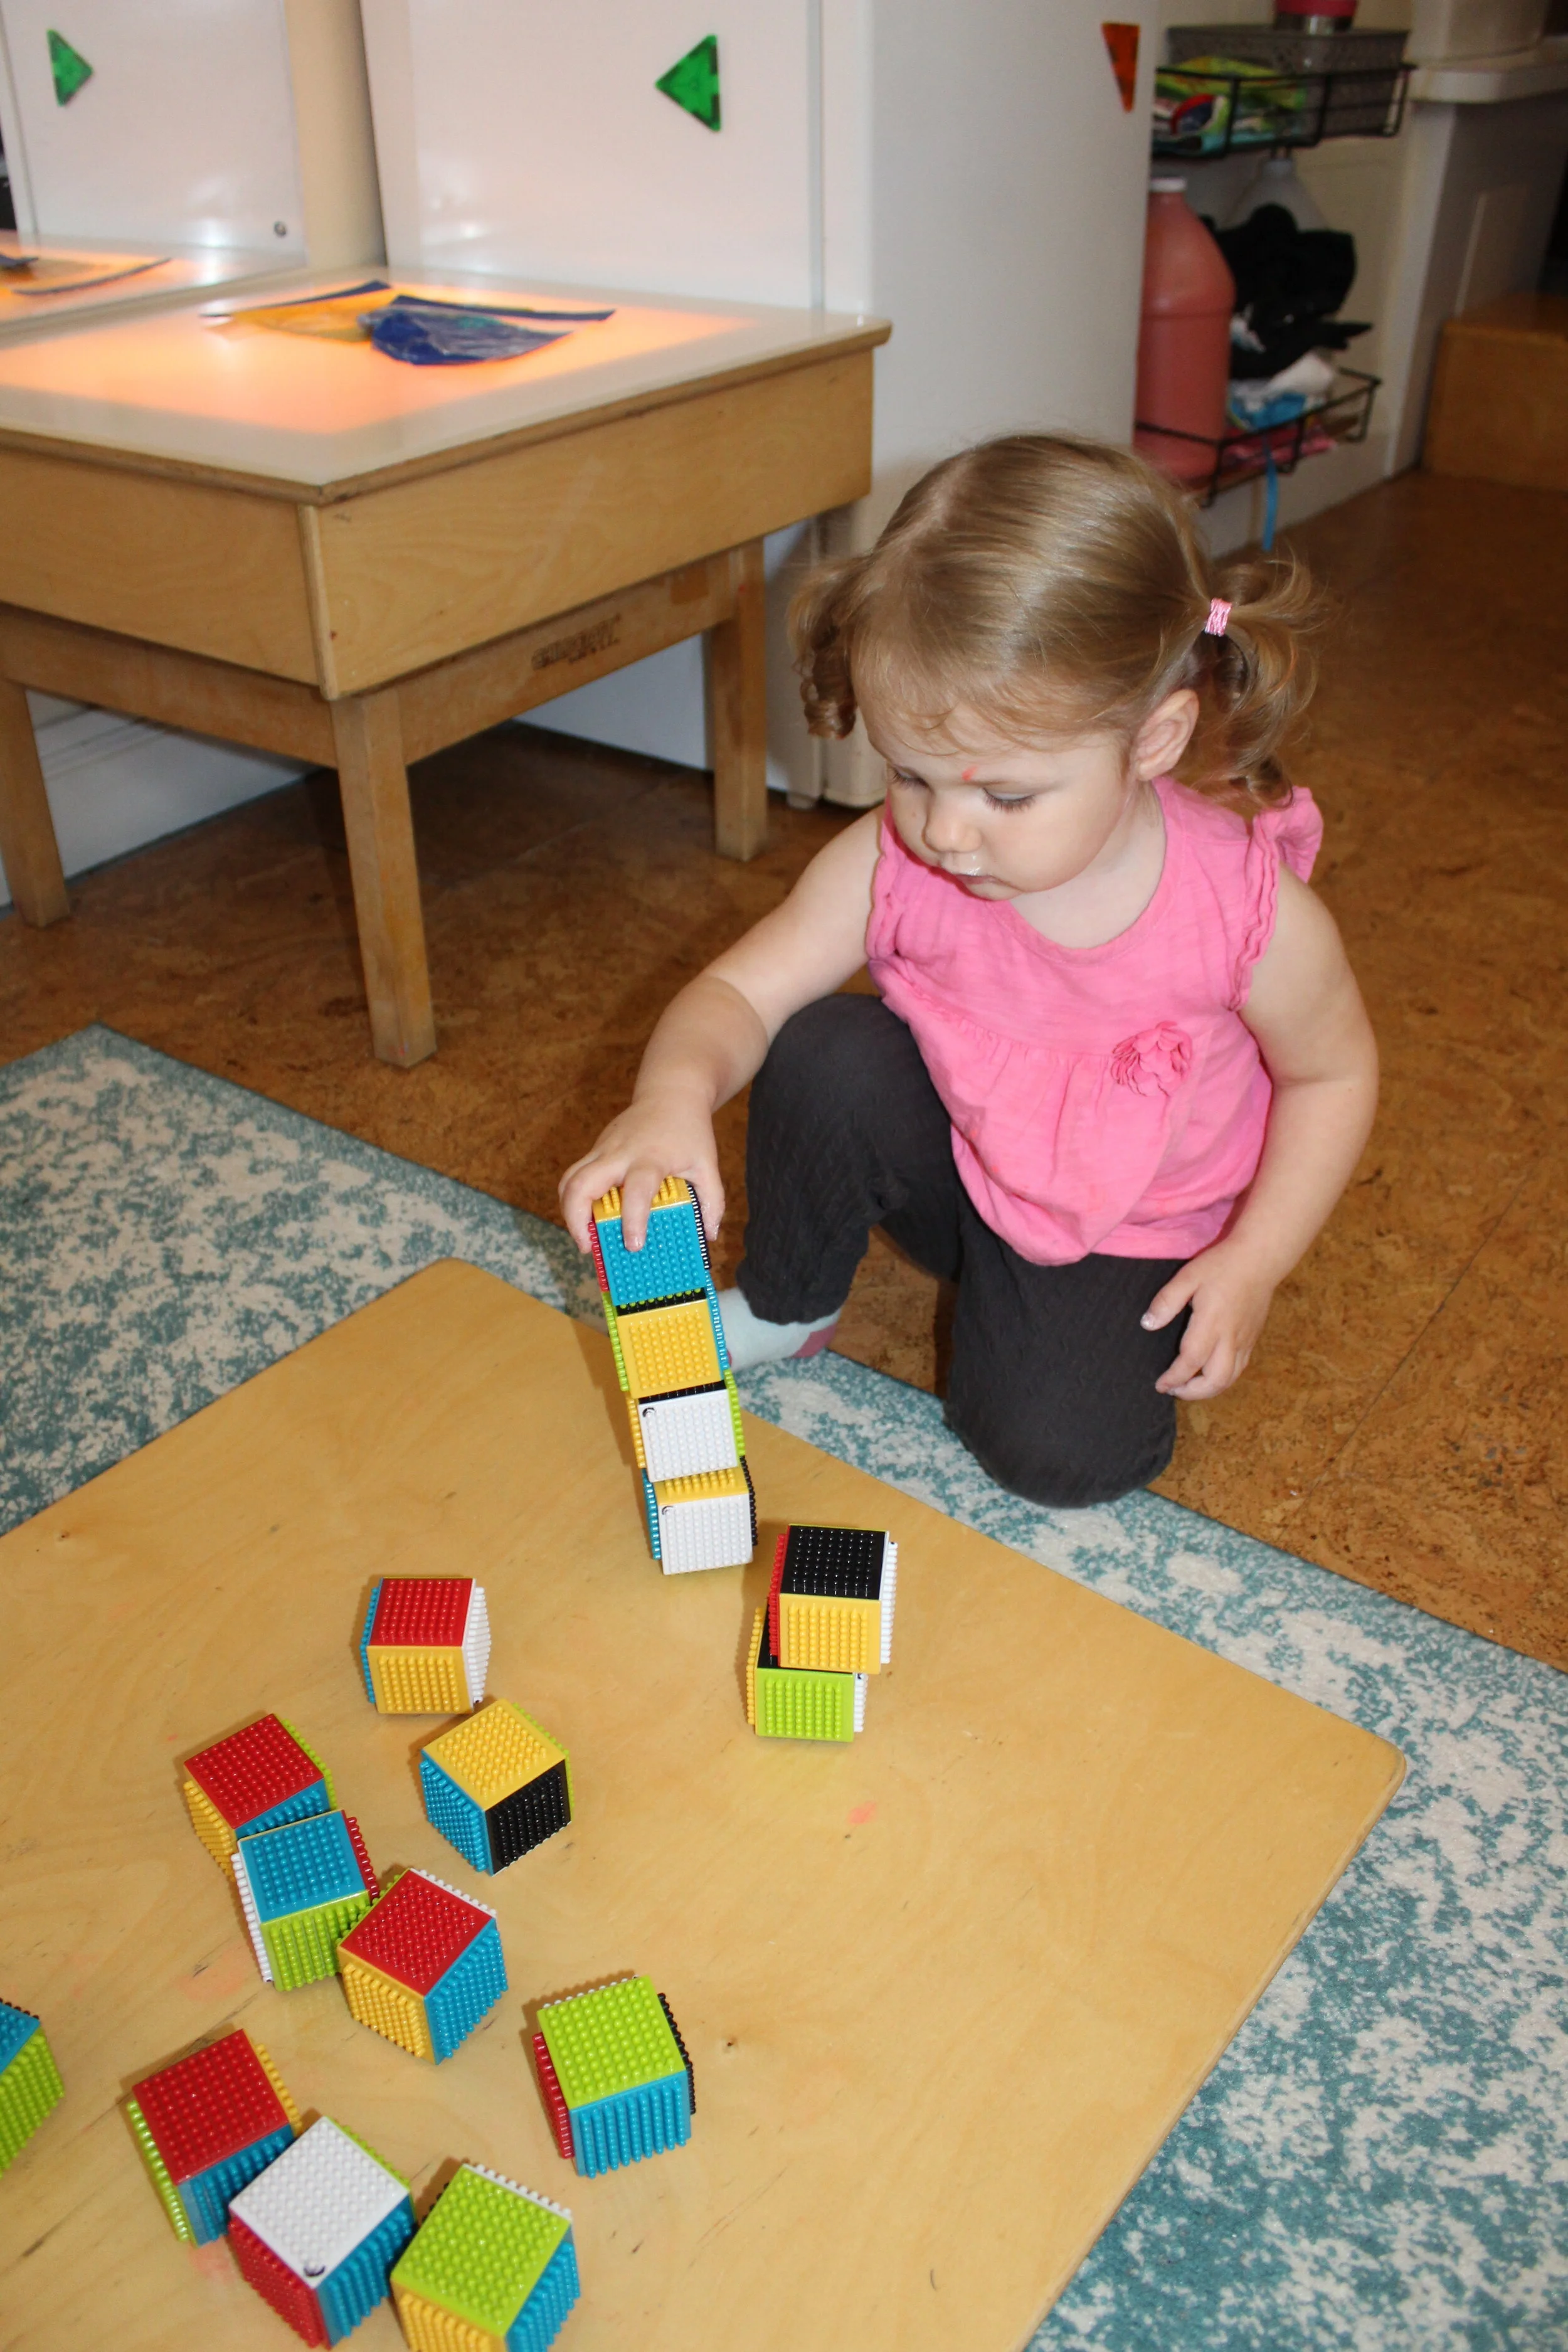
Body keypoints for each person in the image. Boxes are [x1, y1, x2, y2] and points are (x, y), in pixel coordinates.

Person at [559, 434, 1377, 1509]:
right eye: (910, 774)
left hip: (1135, 1221)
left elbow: (1334, 1075)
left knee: (1056, 1455)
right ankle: (792, 1303)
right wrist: (668, 1099)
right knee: (824, 1047)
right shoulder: (899, 857)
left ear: (1154, 740)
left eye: (1007, 795)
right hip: (968, 1156)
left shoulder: (1244, 913)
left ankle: (1028, 1311)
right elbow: (739, 994)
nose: (945, 831)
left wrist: (1254, 1260)